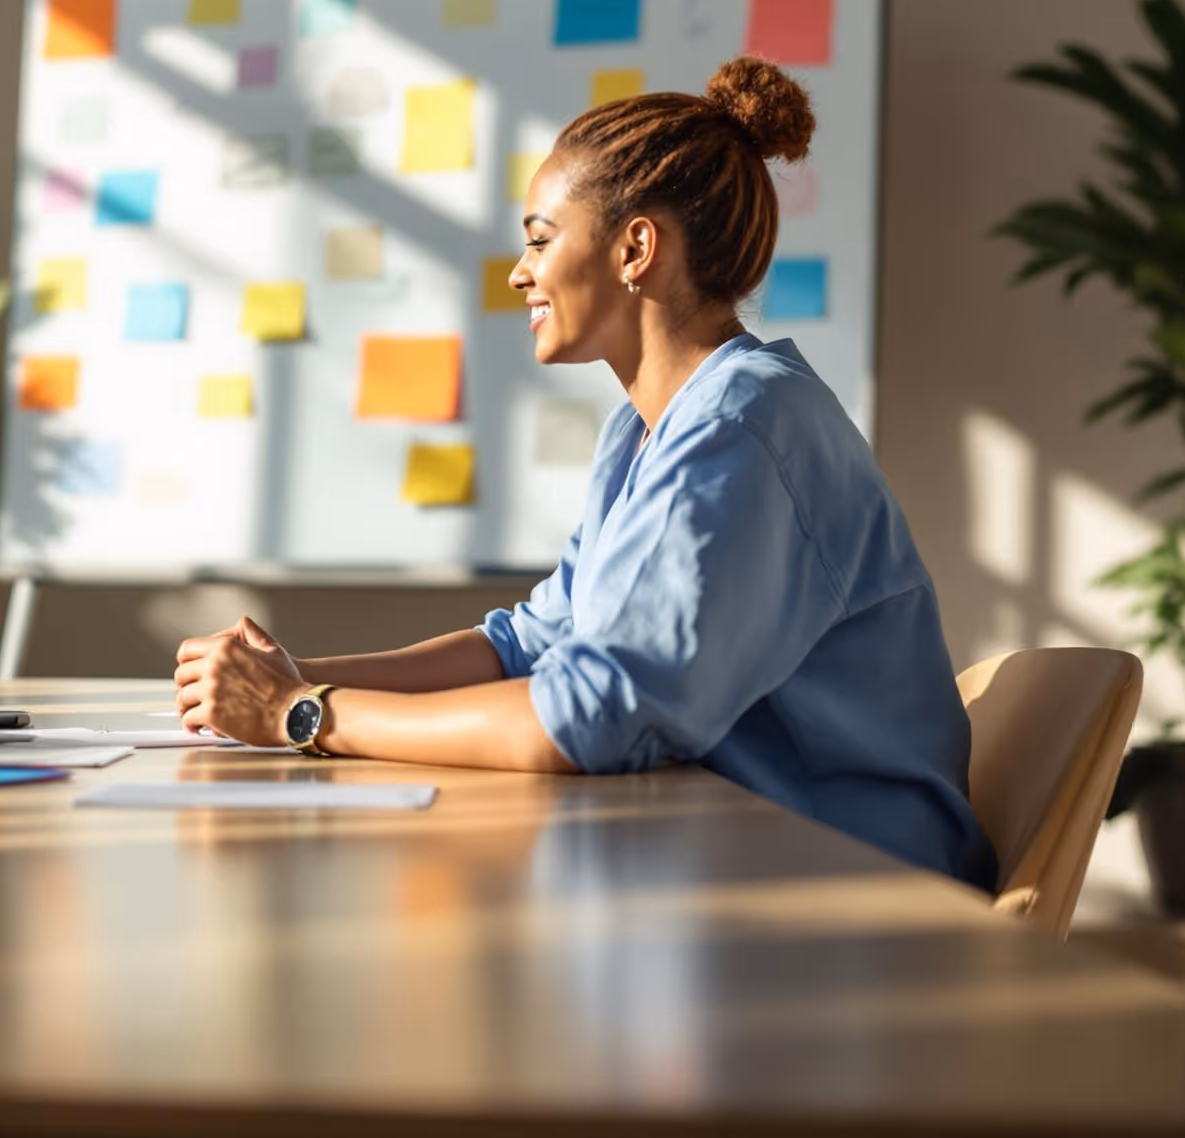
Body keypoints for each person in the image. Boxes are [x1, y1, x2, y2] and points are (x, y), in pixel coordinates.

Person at [176, 55, 995, 887]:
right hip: (742, 862)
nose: (518, 271)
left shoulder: (740, 424)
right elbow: (528, 647)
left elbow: (588, 717)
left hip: (854, 895)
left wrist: (297, 715)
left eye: (539, 239)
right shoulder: (645, 432)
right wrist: (291, 675)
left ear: (636, 247)